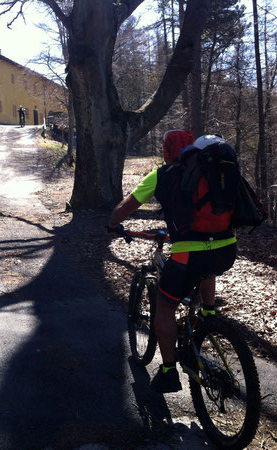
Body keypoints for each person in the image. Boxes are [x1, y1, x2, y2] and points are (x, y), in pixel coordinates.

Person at [107, 131, 238, 393]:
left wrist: (112, 224)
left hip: (189, 253)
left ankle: (168, 372)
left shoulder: (161, 176)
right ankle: (208, 315)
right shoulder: (211, 170)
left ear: (166, 151)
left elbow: (126, 207)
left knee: (165, 308)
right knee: (205, 268)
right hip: (227, 248)